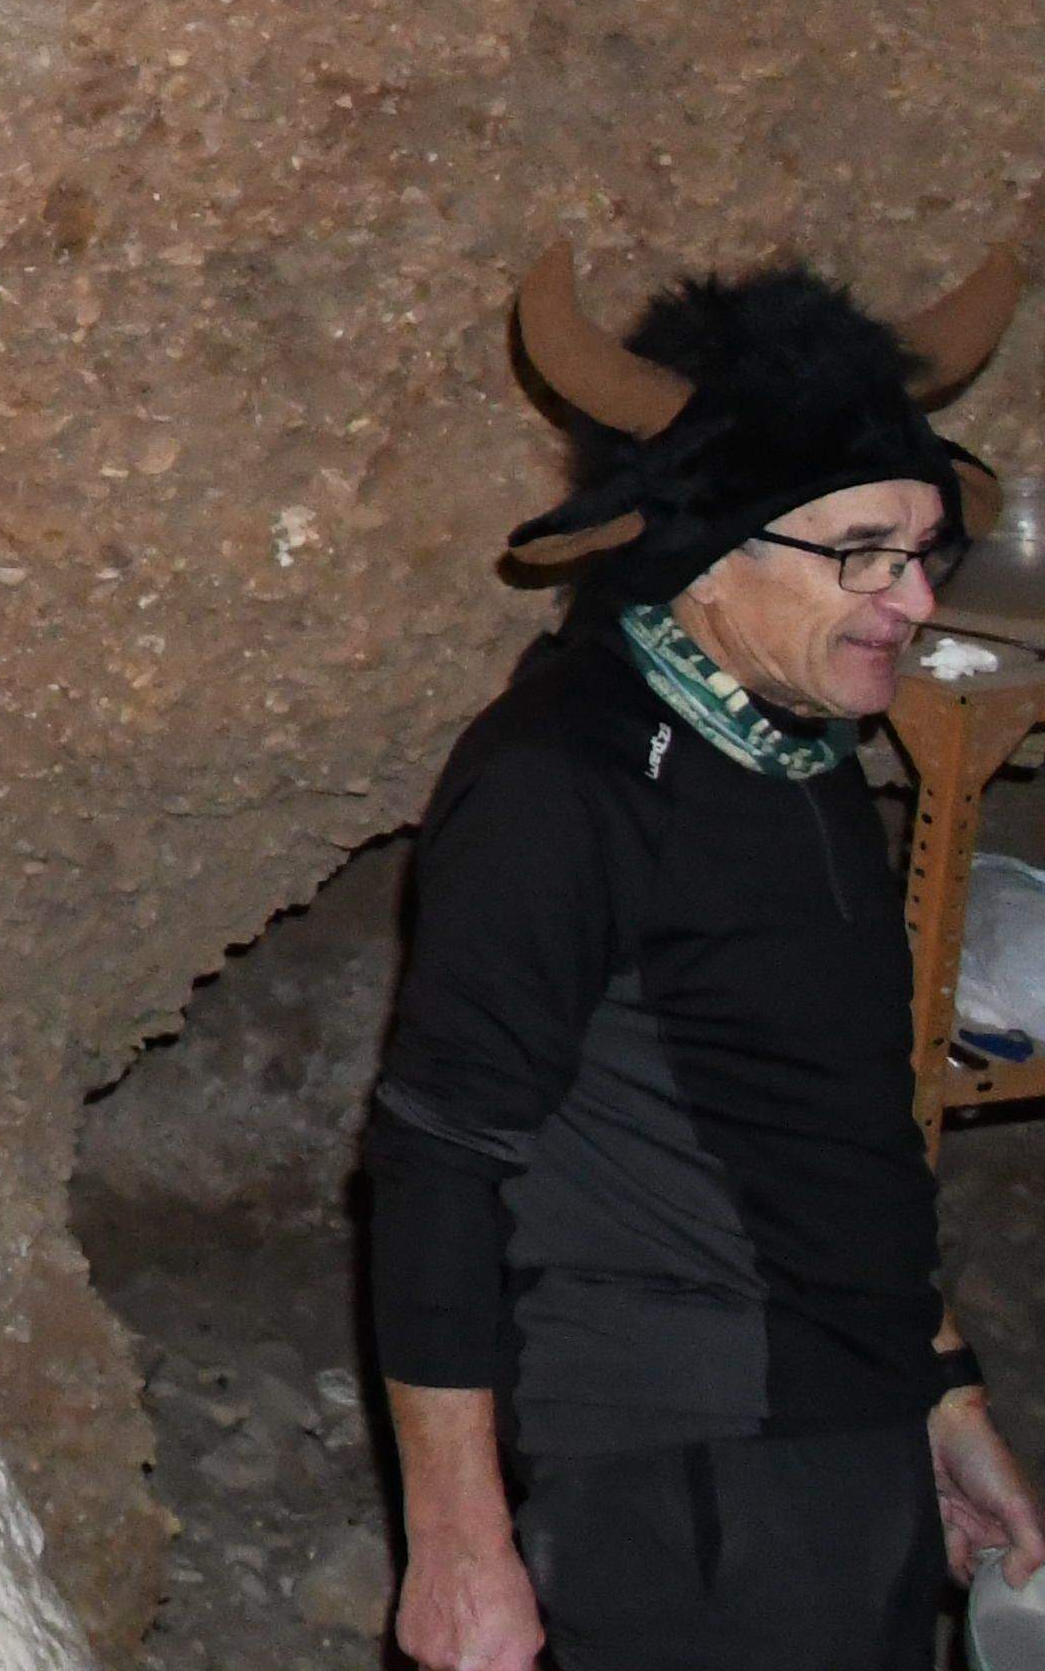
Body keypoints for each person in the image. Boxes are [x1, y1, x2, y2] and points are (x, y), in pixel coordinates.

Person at [370, 238, 1045, 1671]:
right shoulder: (563, 784)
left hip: (837, 1442)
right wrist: (460, 1546)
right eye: (860, 555)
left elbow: (834, 1129)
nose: (917, 603)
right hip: (675, 1478)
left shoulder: (796, 755)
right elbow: (434, 1162)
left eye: (923, 551)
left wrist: (942, 1398)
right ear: (705, 555)